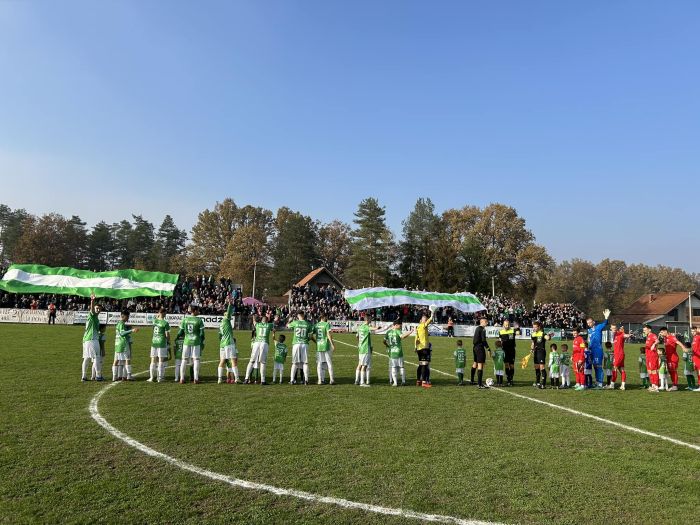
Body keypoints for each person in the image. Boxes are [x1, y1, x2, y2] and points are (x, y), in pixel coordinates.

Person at [176, 304, 205, 384]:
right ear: (194, 311)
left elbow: (180, 332)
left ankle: (182, 378)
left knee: (184, 360)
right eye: (198, 310)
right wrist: (202, 341)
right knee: (196, 360)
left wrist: (177, 338)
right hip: (196, 342)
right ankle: (196, 378)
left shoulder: (185, 320)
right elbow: (202, 334)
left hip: (186, 341)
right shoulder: (199, 320)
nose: (199, 311)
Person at [247, 314, 275, 385]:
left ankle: (246, 379)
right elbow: (274, 329)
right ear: (267, 320)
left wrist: (254, 316)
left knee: (251, 361)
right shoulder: (269, 325)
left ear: (261, 320)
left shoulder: (257, 324)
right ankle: (263, 380)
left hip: (256, 343)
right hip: (264, 343)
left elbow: (254, 321)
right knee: (262, 362)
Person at [586, 309, 611, 388]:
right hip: (591, 351)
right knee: (594, 366)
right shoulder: (589, 330)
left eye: (590, 322)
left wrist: (606, 317)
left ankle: (600, 384)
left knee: (598, 366)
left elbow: (605, 323)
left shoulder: (598, 327)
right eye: (588, 323)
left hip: (598, 350)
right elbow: (589, 340)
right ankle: (597, 382)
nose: (589, 324)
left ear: (593, 322)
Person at [113, 310, 138, 381]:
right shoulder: (121, 323)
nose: (128, 318)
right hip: (123, 344)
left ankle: (114, 376)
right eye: (127, 317)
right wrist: (131, 330)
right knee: (127, 359)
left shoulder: (118, 323)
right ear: (123, 316)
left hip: (117, 344)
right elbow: (122, 333)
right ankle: (129, 376)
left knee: (116, 360)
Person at [287, 312, 313, 385]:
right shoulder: (308, 324)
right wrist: (305, 340)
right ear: (304, 315)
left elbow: (287, 326)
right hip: (304, 344)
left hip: (296, 344)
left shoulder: (295, 322)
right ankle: (306, 380)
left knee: (294, 363)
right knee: (305, 363)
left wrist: (289, 320)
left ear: (298, 316)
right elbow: (311, 337)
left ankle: (292, 380)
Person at [384, 320, 411, 387]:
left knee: (393, 367)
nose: (400, 326)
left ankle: (395, 383)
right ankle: (403, 381)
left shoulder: (388, 332)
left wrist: (388, 346)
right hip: (398, 352)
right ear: (396, 325)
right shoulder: (398, 331)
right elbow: (403, 336)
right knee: (401, 367)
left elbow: (384, 341)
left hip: (392, 352)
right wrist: (410, 332)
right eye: (400, 325)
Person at [81, 293, 101, 382]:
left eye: (100, 309)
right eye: (97, 308)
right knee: (96, 357)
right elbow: (92, 310)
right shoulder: (92, 315)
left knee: (87, 358)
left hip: (87, 339)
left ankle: (84, 376)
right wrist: (92, 300)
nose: (98, 310)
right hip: (92, 339)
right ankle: (98, 376)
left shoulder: (96, 318)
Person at [218, 299, 239, 384]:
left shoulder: (221, 323)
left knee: (222, 361)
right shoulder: (226, 320)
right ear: (224, 315)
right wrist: (230, 304)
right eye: (226, 313)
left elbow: (219, 335)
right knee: (233, 360)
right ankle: (237, 378)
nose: (229, 314)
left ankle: (219, 379)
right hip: (229, 343)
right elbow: (229, 312)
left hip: (222, 344)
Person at [414, 307, 435, 388]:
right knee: (424, 364)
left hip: (419, 348)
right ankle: (423, 382)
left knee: (420, 364)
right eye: (424, 318)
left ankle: (418, 380)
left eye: (425, 318)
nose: (426, 319)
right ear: (421, 320)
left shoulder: (418, 327)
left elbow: (416, 338)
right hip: (424, 348)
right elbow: (431, 320)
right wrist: (432, 312)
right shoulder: (423, 326)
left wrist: (415, 347)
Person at [148, 308, 170, 383]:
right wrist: (168, 341)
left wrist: (158, 315)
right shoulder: (165, 323)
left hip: (154, 342)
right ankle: (159, 378)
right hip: (161, 343)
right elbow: (167, 335)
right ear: (163, 313)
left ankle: (151, 377)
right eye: (165, 313)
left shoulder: (154, 321)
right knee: (161, 360)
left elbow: (153, 328)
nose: (166, 314)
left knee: (153, 360)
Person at [356, 316, 379, 387]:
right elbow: (374, 329)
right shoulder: (366, 327)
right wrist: (379, 327)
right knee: (364, 365)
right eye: (370, 319)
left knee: (360, 364)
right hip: (365, 348)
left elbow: (357, 336)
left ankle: (357, 380)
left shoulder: (360, 327)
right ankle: (362, 382)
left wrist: (360, 343)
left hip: (360, 348)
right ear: (368, 320)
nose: (371, 320)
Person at [314, 314, 336, 385]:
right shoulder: (327, 324)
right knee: (329, 362)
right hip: (326, 345)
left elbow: (311, 335)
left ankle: (320, 380)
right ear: (323, 317)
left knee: (319, 363)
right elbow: (329, 334)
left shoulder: (316, 325)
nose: (327, 318)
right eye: (326, 317)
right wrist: (332, 344)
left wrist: (316, 341)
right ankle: (331, 380)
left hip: (319, 346)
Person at [498, 320, 521, 387]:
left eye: (508, 325)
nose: (507, 326)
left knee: (512, 365)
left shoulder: (513, 330)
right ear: (503, 325)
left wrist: (517, 327)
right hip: (504, 351)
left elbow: (518, 333)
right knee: (506, 365)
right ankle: (508, 379)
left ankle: (511, 379)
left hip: (511, 350)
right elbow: (500, 341)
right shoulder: (501, 332)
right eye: (505, 325)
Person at [471, 317, 490, 389]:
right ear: (482, 322)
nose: (487, 323)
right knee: (480, 365)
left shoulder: (477, 328)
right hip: (479, 348)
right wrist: (488, 348)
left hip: (475, 347)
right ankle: (479, 384)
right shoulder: (482, 329)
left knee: (475, 363)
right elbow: (483, 340)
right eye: (486, 322)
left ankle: (472, 380)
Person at [530, 321, 549, 389]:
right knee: (536, 367)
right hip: (535, 352)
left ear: (539, 327)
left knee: (542, 367)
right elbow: (532, 343)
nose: (534, 328)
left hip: (541, 352)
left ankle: (543, 384)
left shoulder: (542, 333)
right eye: (533, 327)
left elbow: (547, 338)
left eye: (535, 327)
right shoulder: (533, 334)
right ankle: (537, 382)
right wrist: (532, 349)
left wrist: (548, 336)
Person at [611, 324, 628, 390]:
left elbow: (624, 335)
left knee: (614, 368)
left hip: (619, 355)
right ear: (611, 328)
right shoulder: (614, 335)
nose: (614, 329)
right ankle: (623, 385)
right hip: (619, 354)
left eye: (615, 328)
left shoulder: (620, 334)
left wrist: (628, 335)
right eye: (612, 328)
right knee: (621, 369)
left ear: (616, 328)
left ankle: (612, 385)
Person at [643, 325, 660, 392]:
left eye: (645, 330)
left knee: (653, 370)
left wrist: (654, 344)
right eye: (643, 330)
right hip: (648, 356)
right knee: (649, 371)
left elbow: (657, 341)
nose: (644, 331)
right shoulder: (648, 336)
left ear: (649, 330)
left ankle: (656, 387)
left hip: (652, 356)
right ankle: (653, 385)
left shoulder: (652, 335)